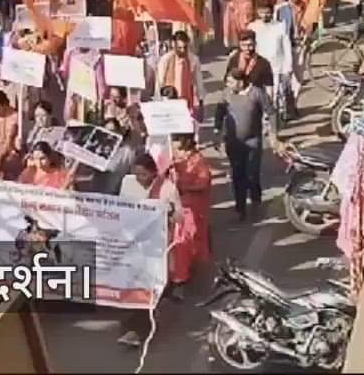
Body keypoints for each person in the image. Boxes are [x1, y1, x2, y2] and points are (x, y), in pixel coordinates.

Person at [116, 153, 183, 346]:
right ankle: (133, 326)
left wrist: (169, 212)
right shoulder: (128, 183)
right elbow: (121, 208)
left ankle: (137, 331)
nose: (139, 179)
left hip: (156, 248)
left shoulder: (168, 188)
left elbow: (180, 218)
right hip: (133, 244)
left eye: (143, 175)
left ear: (153, 173)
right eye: (136, 174)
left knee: (146, 291)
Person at [215, 69, 272, 220]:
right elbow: (219, 113)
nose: (228, 84)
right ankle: (240, 208)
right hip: (233, 143)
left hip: (253, 142)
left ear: (241, 82)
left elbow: (271, 112)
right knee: (237, 175)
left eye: (231, 81)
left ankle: (256, 201)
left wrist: (274, 135)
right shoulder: (226, 94)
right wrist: (217, 132)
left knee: (252, 174)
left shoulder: (256, 93)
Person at [170, 133, 213, 289]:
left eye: (176, 141)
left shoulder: (198, 161)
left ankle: (181, 277)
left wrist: (184, 188)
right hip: (176, 205)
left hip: (192, 208)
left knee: (183, 240)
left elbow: (203, 184)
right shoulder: (172, 159)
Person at [248, 1, 294, 116]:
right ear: (258, 13)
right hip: (258, 68)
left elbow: (286, 47)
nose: (265, 15)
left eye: (267, 13)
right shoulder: (253, 27)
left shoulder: (280, 26)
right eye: (262, 13)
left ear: (272, 12)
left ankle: (274, 122)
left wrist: (288, 68)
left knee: (273, 97)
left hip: (276, 67)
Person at [156, 32, 203, 120]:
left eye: (185, 47)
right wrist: (158, 101)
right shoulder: (166, 60)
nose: (182, 50)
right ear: (174, 45)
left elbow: (198, 80)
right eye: (179, 48)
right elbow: (160, 81)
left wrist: (200, 99)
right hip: (170, 98)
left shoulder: (193, 59)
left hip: (188, 99)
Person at [224, 30, 274, 95]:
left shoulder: (263, 63)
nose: (247, 49)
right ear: (239, 44)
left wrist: (269, 103)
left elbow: (269, 87)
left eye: (250, 45)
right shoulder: (234, 60)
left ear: (255, 44)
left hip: (256, 99)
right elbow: (227, 81)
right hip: (237, 98)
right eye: (243, 45)